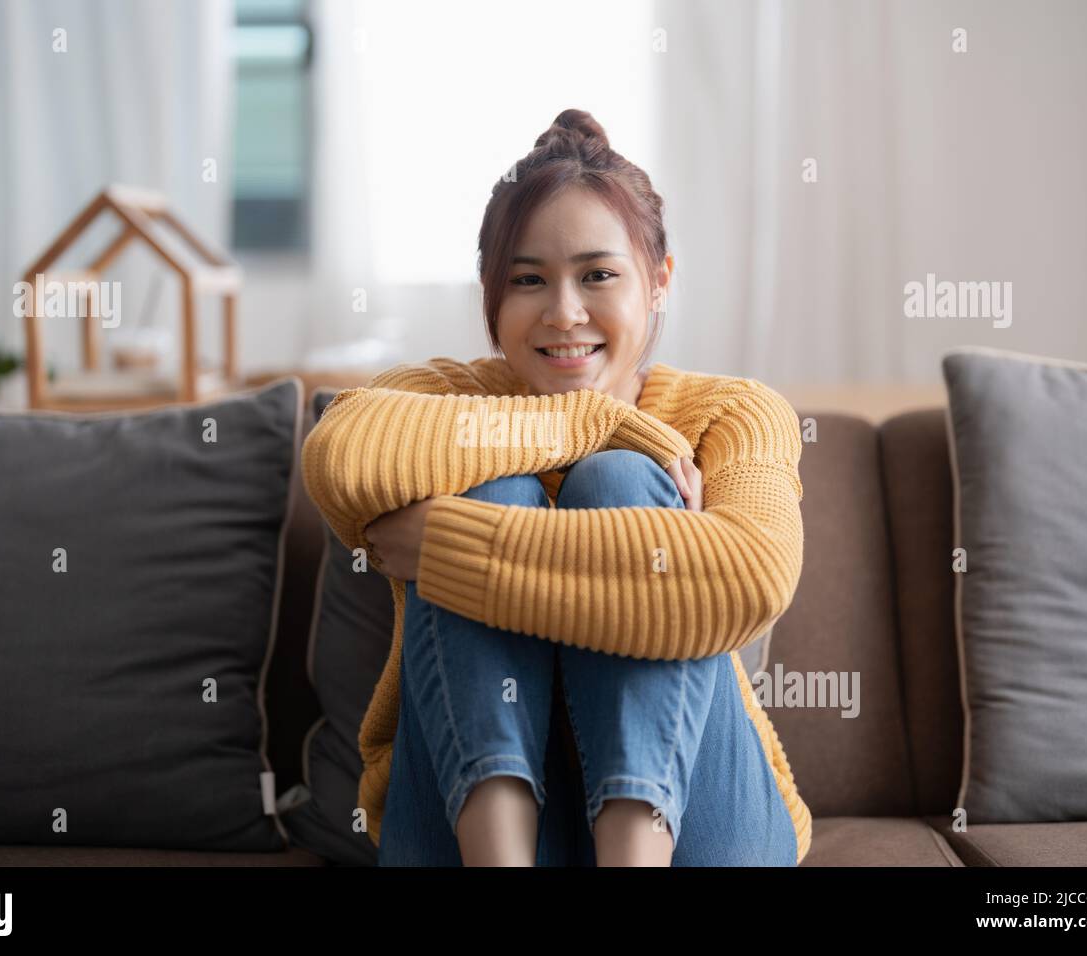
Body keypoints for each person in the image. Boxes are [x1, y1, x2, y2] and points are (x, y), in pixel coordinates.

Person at [300, 108, 811, 866]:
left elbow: (753, 576)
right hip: (464, 822)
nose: (564, 313)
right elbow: (339, 455)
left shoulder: (732, 413)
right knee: (510, 485)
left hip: (697, 827)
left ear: (659, 281)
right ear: (490, 293)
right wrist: (596, 425)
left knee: (619, 481)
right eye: (528, 279)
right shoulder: (447, 396)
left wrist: (444, 545)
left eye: (598, 275)